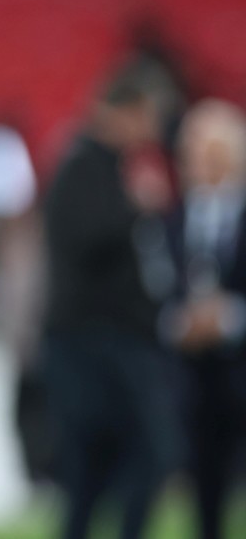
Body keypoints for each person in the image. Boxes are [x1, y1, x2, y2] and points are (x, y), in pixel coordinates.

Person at [38, 73, 182, 539]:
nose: (152, 130)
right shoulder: (81, 165)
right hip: (91, 342)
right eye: (148, 117)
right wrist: (138, 208)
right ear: (125, 112)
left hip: (108, 339)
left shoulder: (107, 165)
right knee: (116, 459)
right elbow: (86, 243)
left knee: (108, 464)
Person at [163, 99, 246, 539]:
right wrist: (181, 324)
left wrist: (229, 319)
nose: (204, 165)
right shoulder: (169, 219)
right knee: (204, 494)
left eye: (215, 154)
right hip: (194, 382)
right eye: (195, 154)